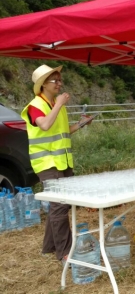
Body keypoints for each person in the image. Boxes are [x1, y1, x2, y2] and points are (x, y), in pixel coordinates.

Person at [20, 64, 92, 264]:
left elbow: (62, 131)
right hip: (46, 163)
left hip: (63, 161)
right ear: (44, 84)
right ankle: (64, 252)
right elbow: (44, 124)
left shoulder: (56, 105)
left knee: (60, 205)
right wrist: (59, 104)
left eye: (60, 80)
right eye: (56, 80)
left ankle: (49, 247)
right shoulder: (36, 106)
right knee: (59, 206)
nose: (60, 84)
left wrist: (81, 124)